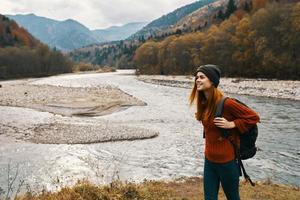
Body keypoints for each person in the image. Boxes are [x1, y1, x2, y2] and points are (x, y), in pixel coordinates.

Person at [189, 64, 260, 200]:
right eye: (196, 77)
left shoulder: (227, 103)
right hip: (209, 162)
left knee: (233, 198)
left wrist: (232, 124)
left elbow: (254, 117)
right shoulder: (204, 103)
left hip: (227, 163)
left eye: (202, 77)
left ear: (212, 81)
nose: (197, 80)